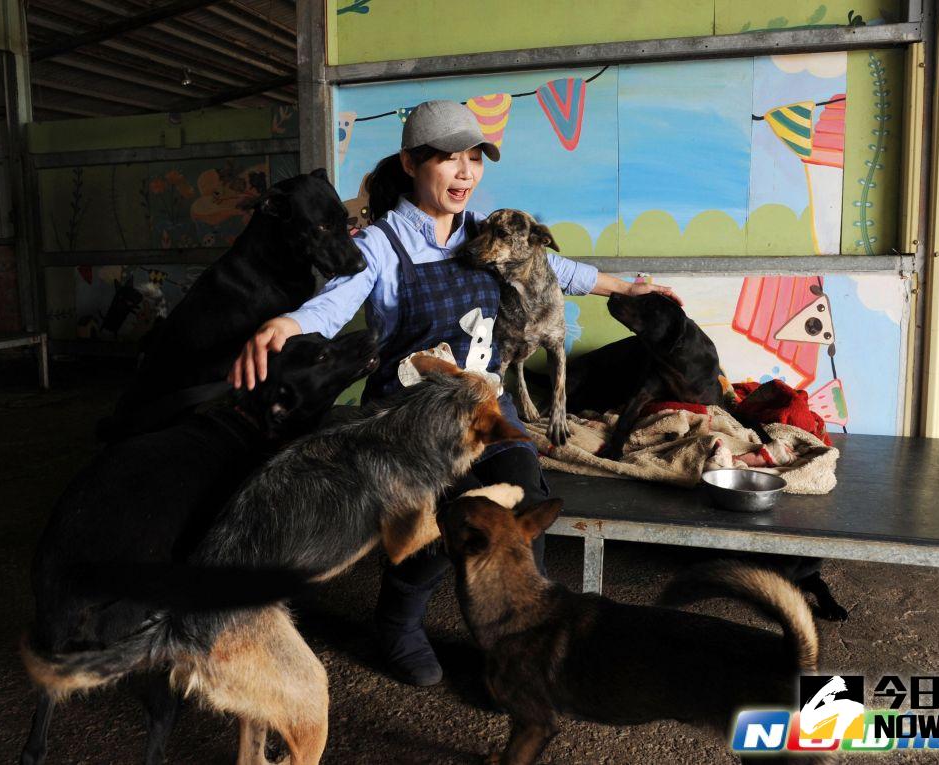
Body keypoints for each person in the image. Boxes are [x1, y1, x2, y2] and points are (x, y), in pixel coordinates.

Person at [230, 100, 681, 686]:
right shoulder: (380, 243)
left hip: (486, 406)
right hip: (410, 418)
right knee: (435, 525)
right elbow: (335, 303)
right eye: (450, 159)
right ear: (412, 163)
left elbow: (555, 268)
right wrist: (288, 324)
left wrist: (627, 286)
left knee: (522, 508)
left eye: (475, 159)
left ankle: (521, 642)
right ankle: (398, 624)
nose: (466, 172)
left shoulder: (489, 232)